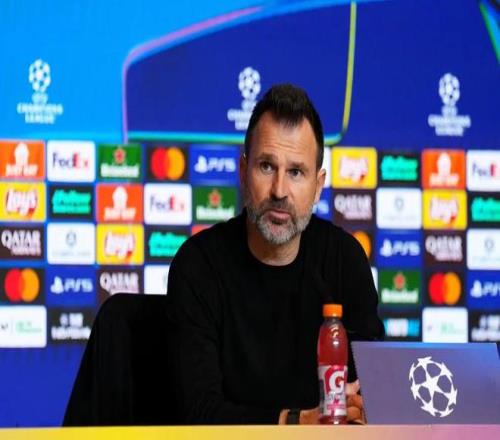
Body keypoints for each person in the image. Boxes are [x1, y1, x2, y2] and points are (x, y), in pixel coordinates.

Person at [166, 84, 384, 425]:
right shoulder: (198, 265)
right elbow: (199, 413)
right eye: (267, 166)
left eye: (296, 172)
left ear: (318, 186)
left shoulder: (345, 260)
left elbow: (371, 395)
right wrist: (297, 423)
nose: (280, 190)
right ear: (243, 172)